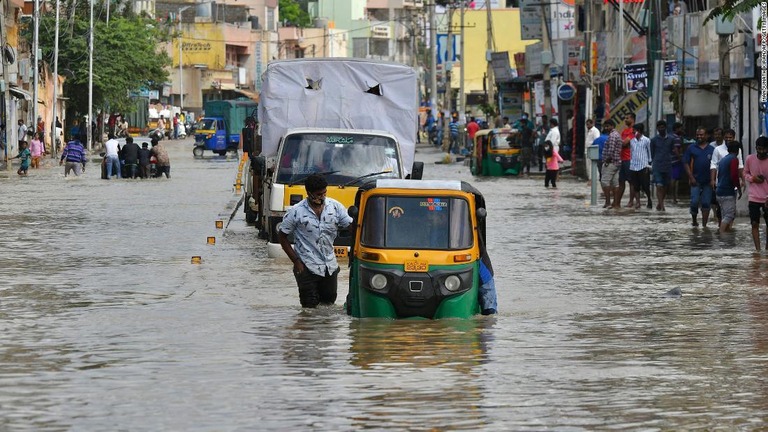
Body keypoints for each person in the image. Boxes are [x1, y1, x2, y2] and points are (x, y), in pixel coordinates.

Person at [277, 174, 353, 308]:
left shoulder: (335, 207)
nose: (322, 197)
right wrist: (296, 261)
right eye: (318, 194)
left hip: (329, 267)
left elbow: (352, 227)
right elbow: (282, 237)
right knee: (309, 310)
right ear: (309, 193)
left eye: (324, 193)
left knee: (328, 307)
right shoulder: (295, 212)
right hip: (306, 267)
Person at [682, 127, 716, 227]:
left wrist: (713, 179)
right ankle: (694, 221)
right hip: (695, 180)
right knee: (694, 201)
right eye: (698, 135)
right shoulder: (691, 148)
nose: (699, 136)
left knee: (706, 203)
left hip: (708, 181)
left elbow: (715, 165)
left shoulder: (712, 149)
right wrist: (691, 177)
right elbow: (685, 163)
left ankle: (704, 225)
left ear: (706, 136)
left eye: (701, 134)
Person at [744, 137, 768, 251]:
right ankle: (758, 251)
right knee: (754, 223)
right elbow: (745, 173)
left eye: (764, 149)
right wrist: (752, 178)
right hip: (753, 197)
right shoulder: (749, 159)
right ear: (756, 148)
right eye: (759, 149)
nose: (762, 151)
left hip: (767, 198)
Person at [716, 141, 743, 234]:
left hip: (719, 191)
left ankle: (725, 240)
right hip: (727, 191)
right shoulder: (734, 159)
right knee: (729, 216)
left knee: (725, 216)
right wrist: (739, 189)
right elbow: (734, 175)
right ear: (738, 150)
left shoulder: (724, 159)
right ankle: (721, 234)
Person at [650, 120, 675, 211]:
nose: (661, 129)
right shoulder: (653, 140)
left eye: (663, 127)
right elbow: (652, 154)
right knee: (659, 185)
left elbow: (672, 150)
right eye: (659, 127)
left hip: (667, 165)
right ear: (657, 129)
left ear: (665, 127)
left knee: (666, 186)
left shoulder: (671, 139)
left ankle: (660, 203)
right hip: (657, 165)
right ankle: (662, 206)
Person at [628, 123, 652, 209]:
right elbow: (631, 153)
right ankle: (638, 202)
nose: (633, 132)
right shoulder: (632, 141)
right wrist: (631, 163)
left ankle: (649, 199)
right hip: (634, 166)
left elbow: (649, 152)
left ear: (640, 131)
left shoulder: (647, 140)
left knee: (645, 185)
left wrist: (649, 165)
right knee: (635, 185)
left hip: (643, 166)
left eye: (635, 130)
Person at [601, 119, 623, 209]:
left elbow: (611, 149)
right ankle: (616, 204)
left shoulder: (613, 135)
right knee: (615, 183)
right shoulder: (616, 134)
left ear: (612, 126)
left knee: (605, 182)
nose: (606, 128)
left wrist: (607, 160)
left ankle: (608, 202)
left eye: (607, 126)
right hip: (617, 162)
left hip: (611, 163)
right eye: (605, 126)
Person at [619, 113, 636, 208]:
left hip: (629, 158)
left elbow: (625, 142)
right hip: (622, 159)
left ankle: (631, 202)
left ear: (632, 119)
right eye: (625, 118)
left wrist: (621, 142)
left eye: (627, 118)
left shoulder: (633, 131)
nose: (625, 120)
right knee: (621, 181)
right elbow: (622, 142)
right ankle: (618, 202)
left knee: (631, 182)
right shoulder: (624, 131)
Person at [670, 122, 686, 204]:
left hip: (670, 161)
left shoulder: (670, 137)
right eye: (680, 128)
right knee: (675, 179)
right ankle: (674, 198)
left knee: (673, 179)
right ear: (676, 129)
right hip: (676, 161)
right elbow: (676, 150)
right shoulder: (676, 138)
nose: (682, 130)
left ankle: (673, 197)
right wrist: (680, 158)